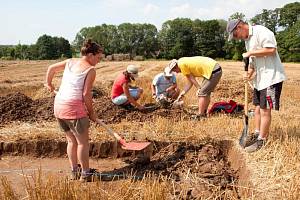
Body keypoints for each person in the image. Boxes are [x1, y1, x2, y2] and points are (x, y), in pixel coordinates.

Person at [45, 39, 103, 181]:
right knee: (83, 143)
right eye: (98, 57)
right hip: (73, 108)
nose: (99, 61)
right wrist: (91, 113)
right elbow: (86, 94)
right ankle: (86, 174)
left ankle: (74, 171)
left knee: (72, 141)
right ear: (90, 55)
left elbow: (51, 69)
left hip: (59, 106)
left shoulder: (70, 61)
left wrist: (48, 84)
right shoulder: (90, 70)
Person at [226, 19, 286, 152]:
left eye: (235, 35)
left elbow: (271, 49)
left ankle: (262, 140)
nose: (236, 39)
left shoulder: (261, 31)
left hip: (271, 77)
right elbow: (253, 62)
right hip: (259, 80)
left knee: (265, 109)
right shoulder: (248, 41)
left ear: (239, 27)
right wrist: (250, 74)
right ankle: (257, 132)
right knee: (257, 108)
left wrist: (251, 53)